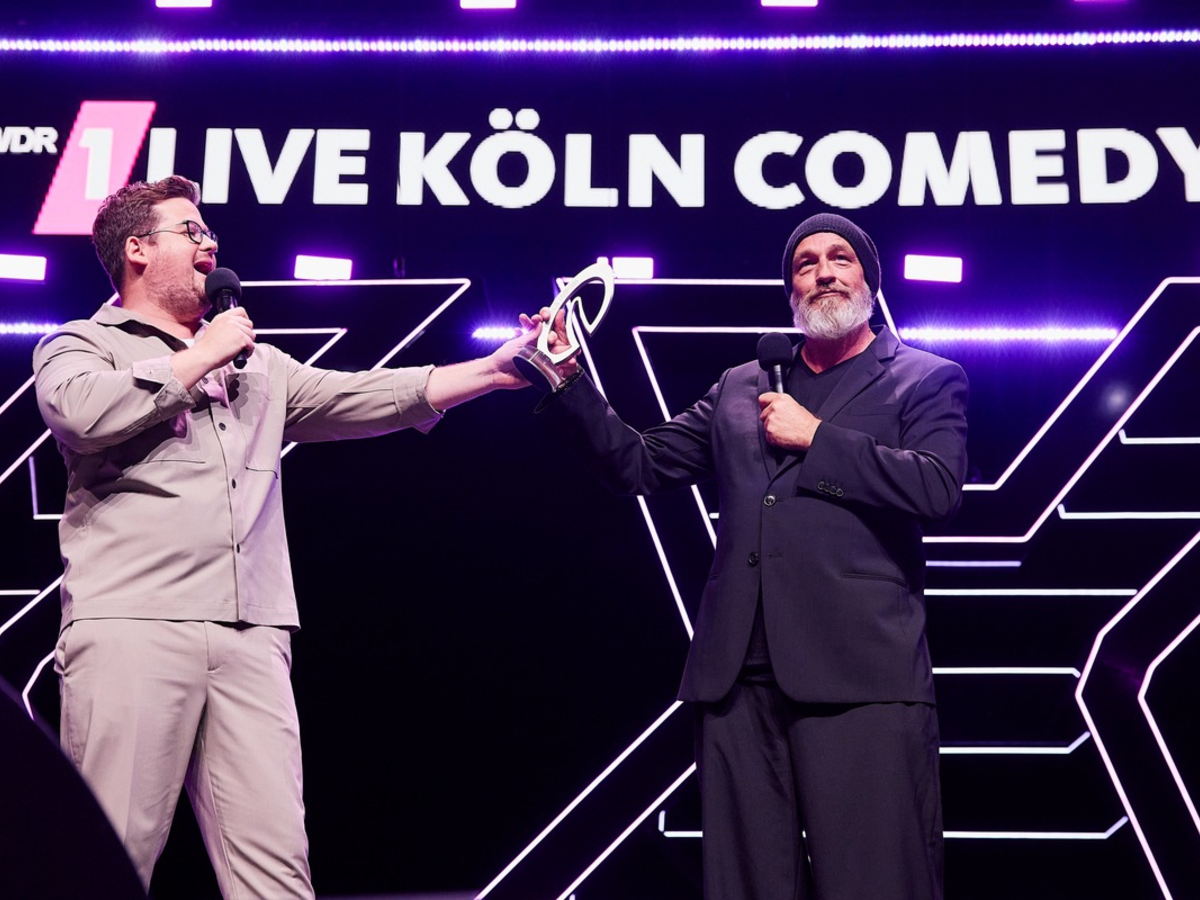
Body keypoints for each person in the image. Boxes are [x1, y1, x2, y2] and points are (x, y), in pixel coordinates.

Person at [33, 175, 542, 898]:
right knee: (107, 858)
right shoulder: (80, 344)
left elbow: (365, 395)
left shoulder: (258, 367)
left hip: (252, 632)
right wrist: (201, 356)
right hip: (134, 624)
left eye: (210, 232)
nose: (211, 244)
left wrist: (492, 369)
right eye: (191, 231)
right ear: (137, 250)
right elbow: (82, 414)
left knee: (276, 868)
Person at [528, 213, 968, 900]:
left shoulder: (923, 377)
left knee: (877, 881)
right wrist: (566, 380)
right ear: (790, 289)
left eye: (841, 258)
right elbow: (638, 463)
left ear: (869, 281)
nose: (823, 272)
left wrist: (817, 439)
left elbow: (937, 489)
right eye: (805, 264)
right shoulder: (744, 383)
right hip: (736, 681)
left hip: (862, 677)